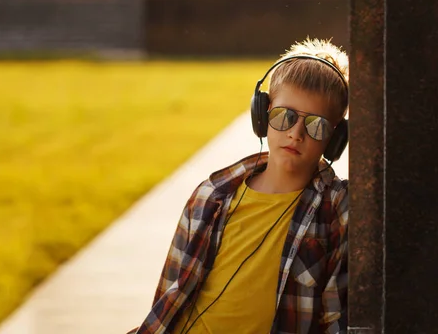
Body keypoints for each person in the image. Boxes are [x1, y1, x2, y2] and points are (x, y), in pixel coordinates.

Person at [129, 38, 350, 334]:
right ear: (262, 114)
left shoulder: (336, 210)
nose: (296, 133)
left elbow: (335, 318)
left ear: (336, 139)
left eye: (316, 125)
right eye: (285, 116)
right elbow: (170, 297)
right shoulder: (212, 195)